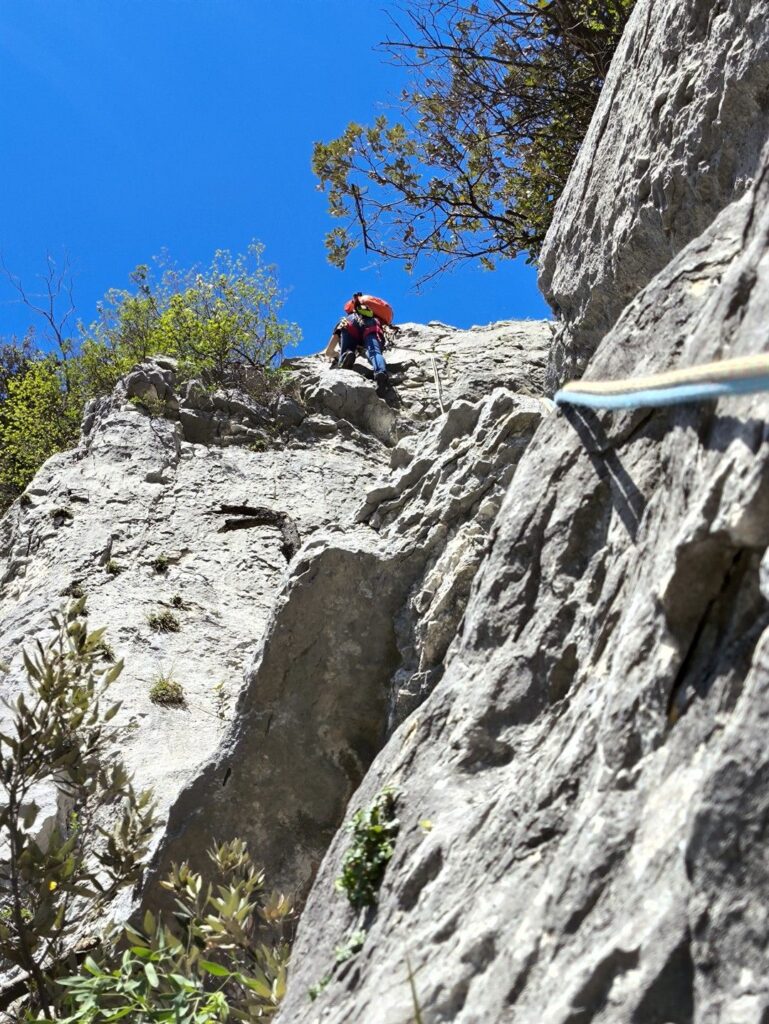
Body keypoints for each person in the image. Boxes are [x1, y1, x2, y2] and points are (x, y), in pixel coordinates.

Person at [331, 293, 393, 394]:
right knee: (374, 352)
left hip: (349, 323)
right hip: (372, 324)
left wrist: (332, 354)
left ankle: (347, 354)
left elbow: (330, 349)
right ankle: (380, 373)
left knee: (347, 346)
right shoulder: (375, 317)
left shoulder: (347, 317)